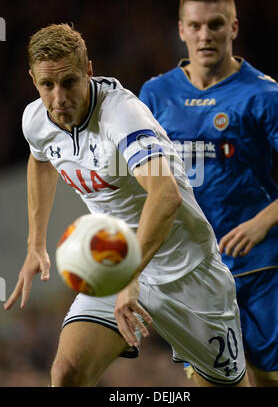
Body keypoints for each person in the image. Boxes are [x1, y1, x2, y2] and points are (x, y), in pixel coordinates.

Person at [4, 23, 250, 387]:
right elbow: (40, 159)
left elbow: (165, 195)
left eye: (69, 82)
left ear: (88, 71)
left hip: (187, 271)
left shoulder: (121, 116)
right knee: (66, 374)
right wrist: (35, 244)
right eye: (46, 85)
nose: (58, 98)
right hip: (115, 261)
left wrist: (131, 277)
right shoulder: (36, 119)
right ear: (33, 80)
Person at [139, 0, 278, 387]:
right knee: (212, 383)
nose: (204, 35)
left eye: (215, 24)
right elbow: (144, 182)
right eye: (195, 25)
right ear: (181, 30)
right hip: (193, 271)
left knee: (274, 381)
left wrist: (264, 221)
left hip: (257, 266)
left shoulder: (265, 96)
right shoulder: (154, 95)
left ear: (234, 27)